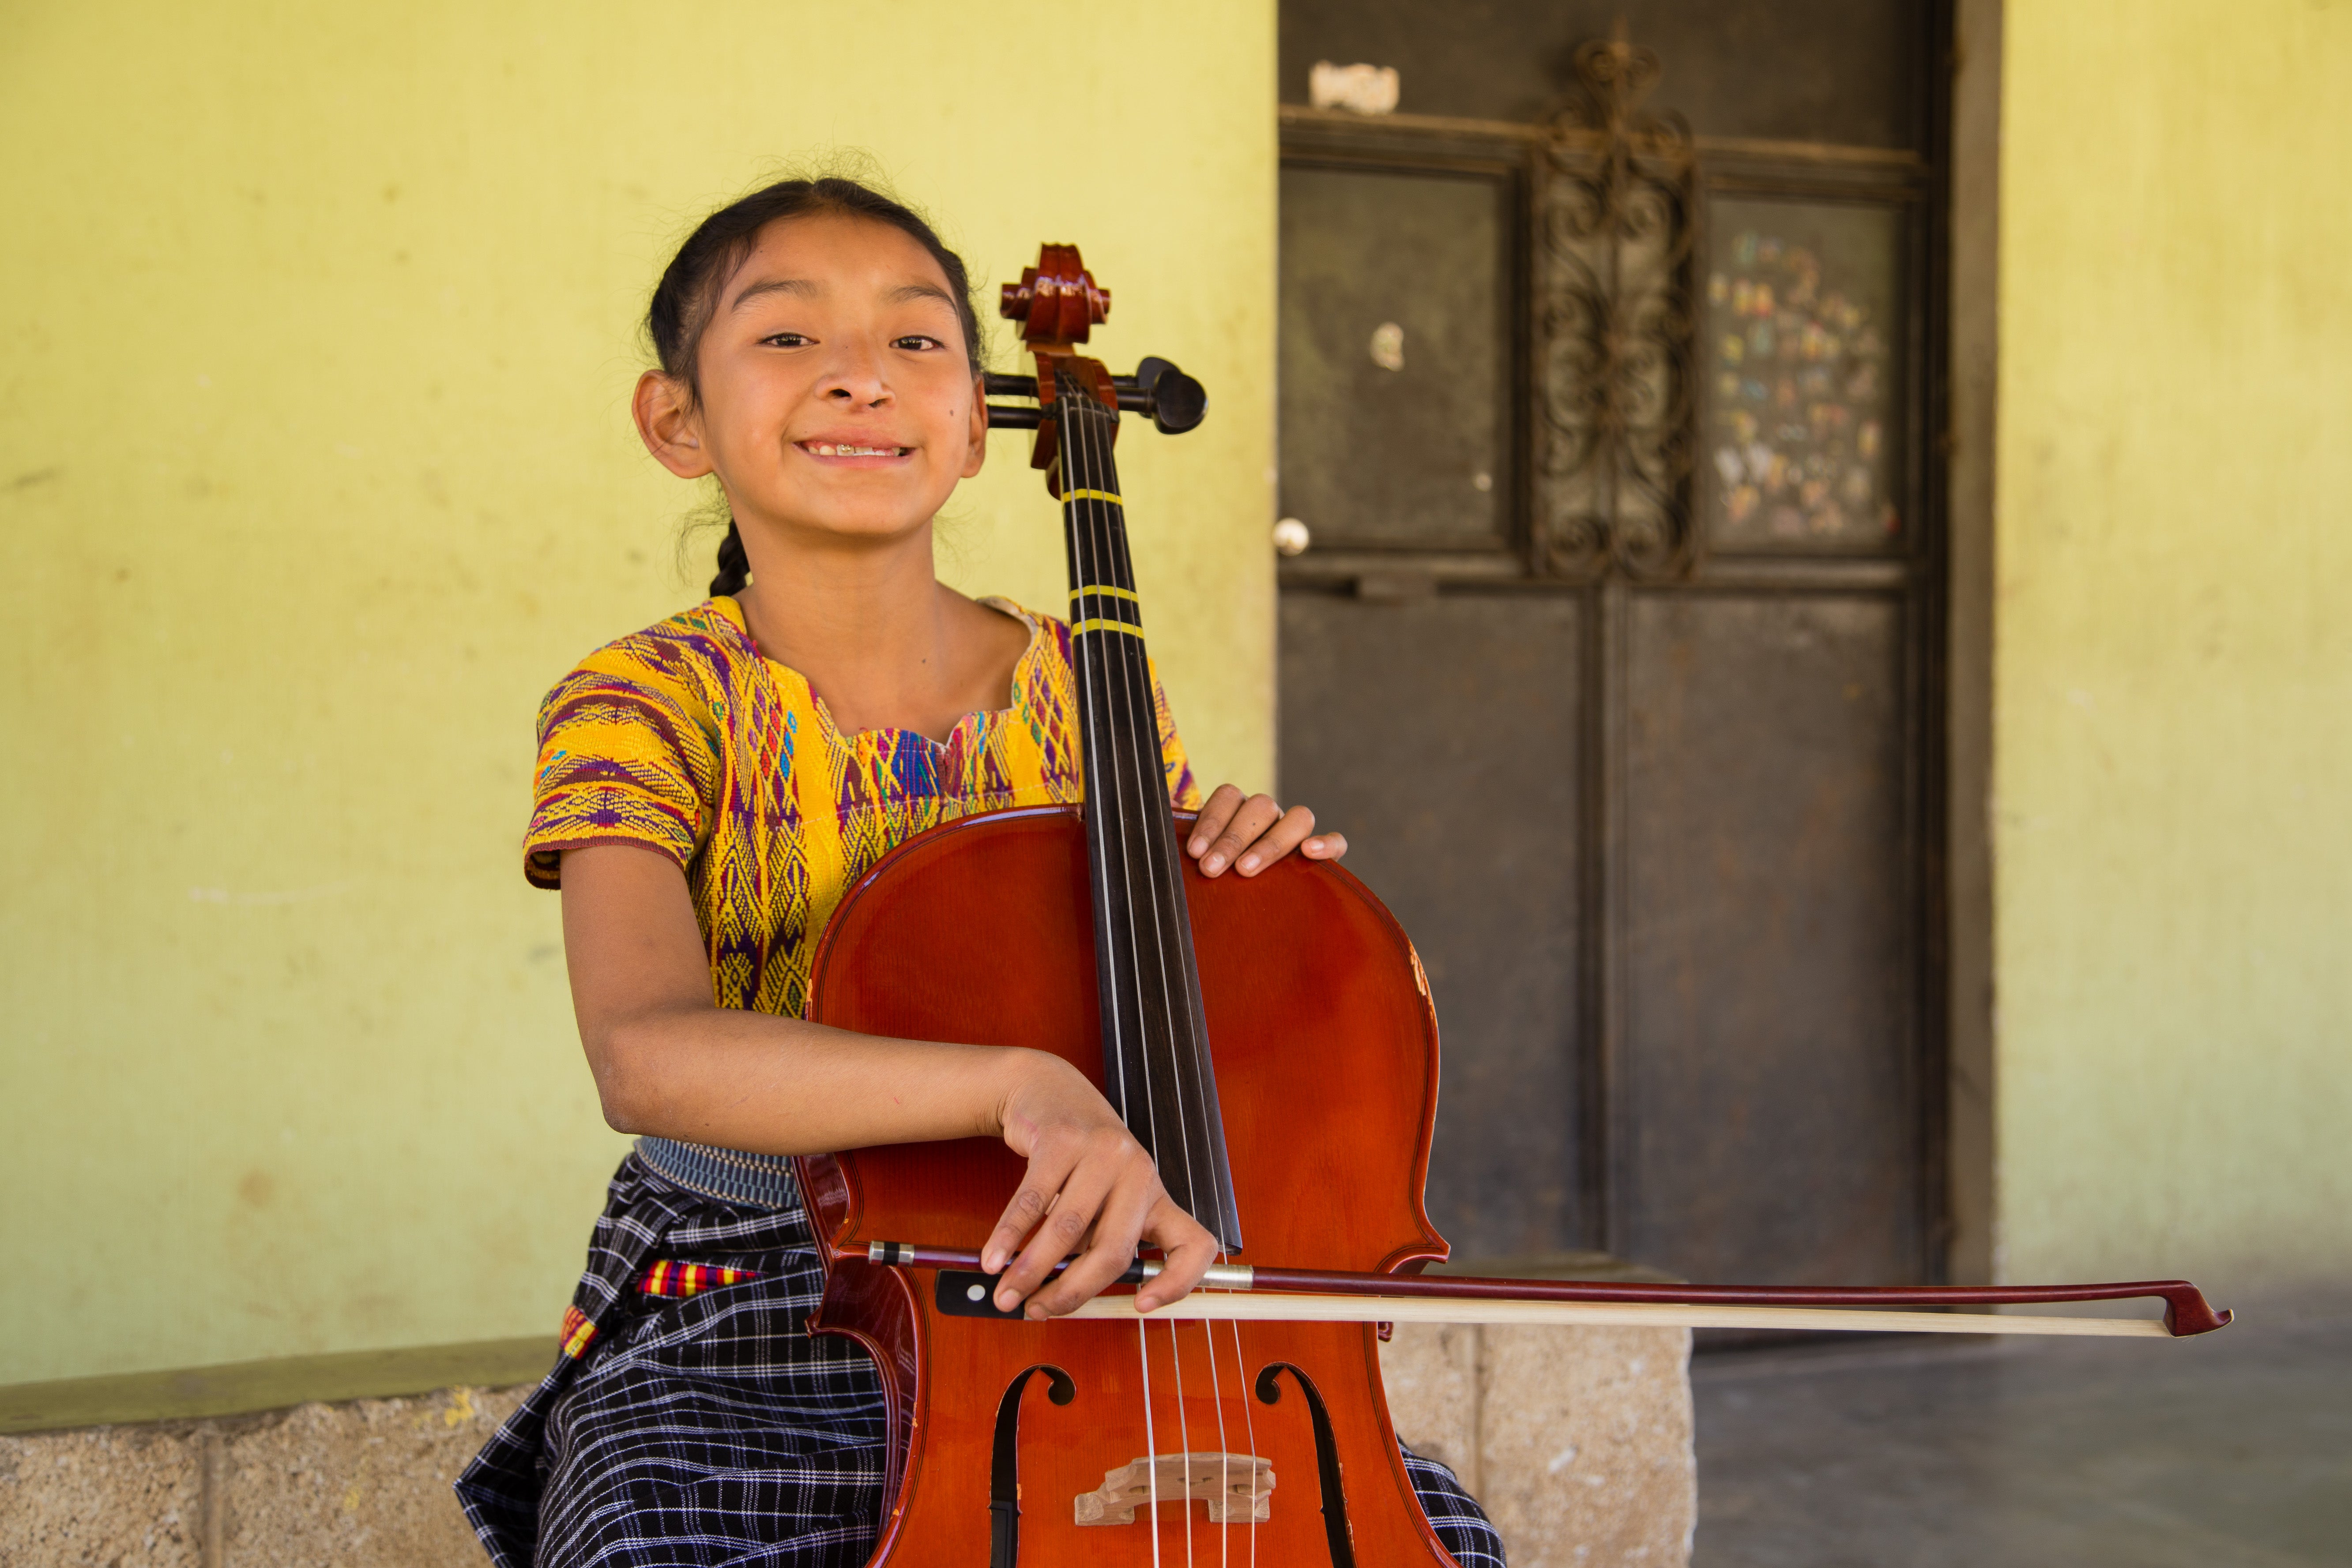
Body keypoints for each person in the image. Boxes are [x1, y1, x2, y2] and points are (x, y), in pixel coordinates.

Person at [455, 175, 1504, 1568]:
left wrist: (1255, 893)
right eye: (784, 338)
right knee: (653, 1520)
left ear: (974, 423)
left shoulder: (1089, 687)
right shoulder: (644, 700)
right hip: (763, 1291)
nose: (858, 379)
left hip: (1099, 1270)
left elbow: (1192, 1020)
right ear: (676, 421)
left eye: (915, 341)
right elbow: (645, 1055)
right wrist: (1011, 1083)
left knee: (1426, 1534)